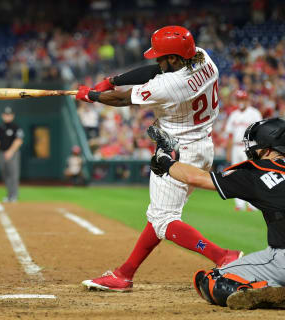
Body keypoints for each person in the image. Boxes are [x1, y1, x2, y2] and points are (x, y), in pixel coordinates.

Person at [77, 26, 242, 292]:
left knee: (164, 220)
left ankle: (223, 256)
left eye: (162, 56)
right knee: (159, 215)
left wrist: (92, 96)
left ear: (175, 59)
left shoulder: (170, 85)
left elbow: (121, 100)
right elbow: (154, 72)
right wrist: (112, 79)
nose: (157, 61)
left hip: (177, 152)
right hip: (201, 147)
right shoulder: (202, 57)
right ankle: (124, 273)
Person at [151, 118, 285, 309]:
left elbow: (194, 178)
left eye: (255, 145)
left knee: (213, 281)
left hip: (281, 260)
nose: (251, 150)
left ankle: (273, 292)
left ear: (268, 148)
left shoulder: (257, 173)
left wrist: (164, 160)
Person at [224, 90, 262, 211]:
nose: (241, 102)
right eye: (239, 99)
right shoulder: (233, 114)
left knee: (251, 175)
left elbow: (259, 132)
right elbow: (230, 134)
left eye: (243, 99)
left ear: (247, 100)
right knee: (235, 175)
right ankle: (239, 204)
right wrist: (229, 151)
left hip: (249, 146)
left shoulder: (254, 113)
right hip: (235, 147)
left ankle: (252, 205)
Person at [0, 106, 24, 203]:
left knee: (13, 174)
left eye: (9, 115)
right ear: (3, 116)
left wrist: (10, 151)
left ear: (12, 116)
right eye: (5, 115)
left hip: (12, 153)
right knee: (5, 174)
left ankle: (14, 195)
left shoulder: (16, 127)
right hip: (2, 153)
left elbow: (19, 140)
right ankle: (9, 195)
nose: (7, 116)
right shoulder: (0, 127)